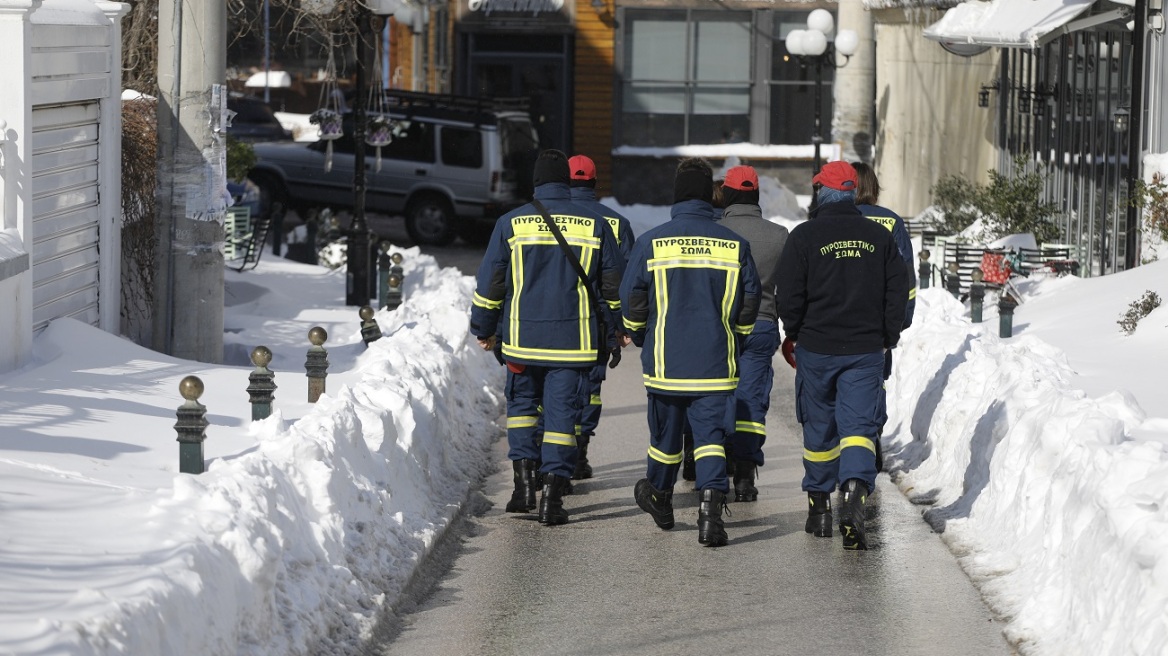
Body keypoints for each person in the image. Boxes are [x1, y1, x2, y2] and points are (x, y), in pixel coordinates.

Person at [470, 149, 627, 526]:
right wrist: (617, 328)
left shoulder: (511, 223)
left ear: (537, 182)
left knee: (523, 411)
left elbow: (491, 283)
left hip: (522, 340)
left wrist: (485, 328)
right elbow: (612, 287)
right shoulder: (594, 225)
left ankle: (523, 487)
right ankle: (552, 499)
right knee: (561, 417)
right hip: (573, 344)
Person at [621, 157, 761, 547]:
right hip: (716, 362)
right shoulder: (735, 244)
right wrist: (738, 334)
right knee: (711, 438)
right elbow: (751, 297)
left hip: (666, 363)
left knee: (665, 438)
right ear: (708, 196)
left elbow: (633, 296)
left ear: (678, 195)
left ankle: (661, 497)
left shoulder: (653, 242)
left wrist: (637, 333)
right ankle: (711, 514)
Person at [775, 161, 908, 550]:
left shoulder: (803, 237)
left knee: (819, 429)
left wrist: (795, 332)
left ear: (821, 192)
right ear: (852, 192)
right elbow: (897, 290)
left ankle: (819, 509)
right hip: (865, 350)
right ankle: (853, 493)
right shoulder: (878, 237)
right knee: (858, 428)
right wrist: (887, 335)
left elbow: (790, 294)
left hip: (817, 348)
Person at [716, 165, 788, 502]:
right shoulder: (778, 235)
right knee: (751, 399)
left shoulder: (713, 232)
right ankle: (745, 474)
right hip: (761, 325)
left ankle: (718, 459)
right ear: (756, 195)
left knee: (716, 394)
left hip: (718, 327)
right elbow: (788, 291)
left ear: (728, 195)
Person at [567, 154, 636, 480]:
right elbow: (628, 280)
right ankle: (579, 451)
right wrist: (622, 325)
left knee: (550, 387)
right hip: (597, 323)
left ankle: (550, 452)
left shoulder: (542, 218)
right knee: (589, 388)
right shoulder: (616, 223)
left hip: (550, 321)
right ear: (594, 184)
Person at [851, 161, 917, 473]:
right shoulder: (891, 223)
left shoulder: (835, 220)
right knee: (874, 381)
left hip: (836, 319)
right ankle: (871, 436)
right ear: (874, 188)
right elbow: (907, 277)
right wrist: (902, 318)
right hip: (878, 321)